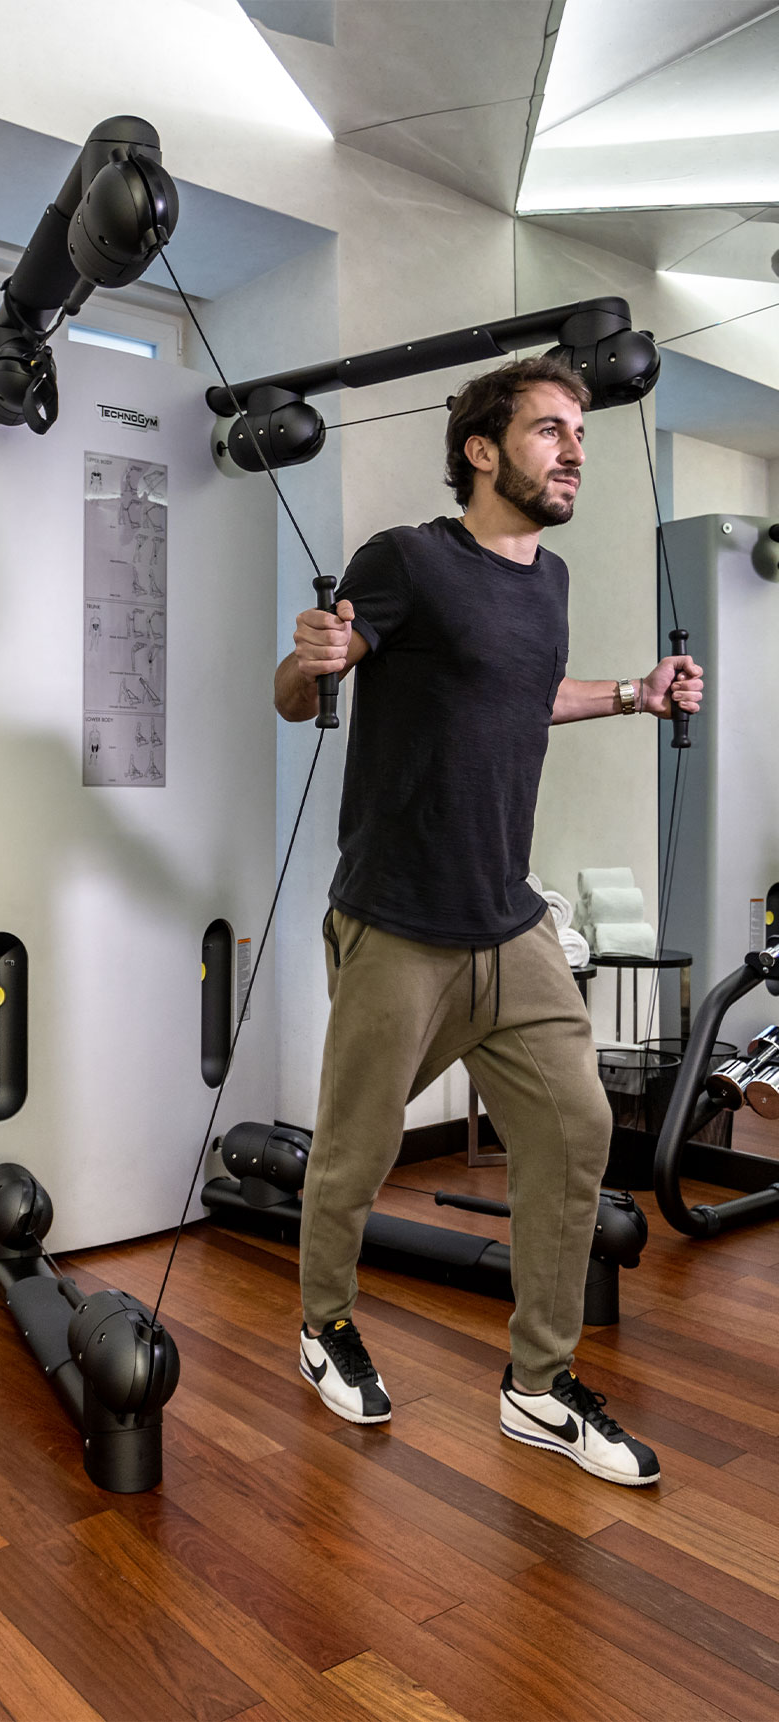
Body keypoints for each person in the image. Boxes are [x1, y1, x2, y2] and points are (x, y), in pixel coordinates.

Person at [274, 354, 703, 1487]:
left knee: (575, 1131)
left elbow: (523, 694)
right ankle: (323, 1324)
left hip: (509, 926)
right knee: (355, 1157)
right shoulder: (406, 559)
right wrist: (304, 658)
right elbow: (316, 671)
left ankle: (538, 1387)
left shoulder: (548, 581)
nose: (572, 448)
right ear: (481, 448)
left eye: (580, 435)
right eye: (552, 429)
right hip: (397, 923)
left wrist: (631, 694)